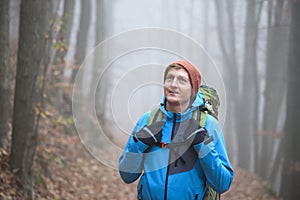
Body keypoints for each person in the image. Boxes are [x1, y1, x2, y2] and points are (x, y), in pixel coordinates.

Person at [119, 60, 234, 200]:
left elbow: (222, 184)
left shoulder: (209, 125)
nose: (173, 84)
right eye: (169, 78)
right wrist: (139, 144)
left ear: (193, 90)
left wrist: (203, 145)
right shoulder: (148, 120)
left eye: (182, 80)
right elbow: (127, 176)